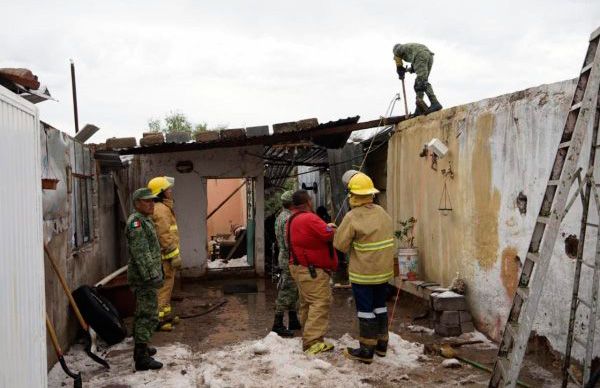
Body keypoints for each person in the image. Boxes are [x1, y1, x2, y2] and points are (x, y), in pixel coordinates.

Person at [333, 172, 395, 364]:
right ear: (371, 193)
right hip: (383, 272)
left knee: (365, 310)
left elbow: (340, 245)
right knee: (380, 306)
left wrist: (337, 232)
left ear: (352, 195)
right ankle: (382, 345)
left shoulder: (352, 217)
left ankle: (367, 350)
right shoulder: (382, 213)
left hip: (364, 274)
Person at [288, 190, 338, 354]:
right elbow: (327, 235)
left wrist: (325, 227)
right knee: (320, 302)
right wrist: (332, 228)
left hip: (300, 267)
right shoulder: (309, 217)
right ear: (309, 202)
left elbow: (313, 234)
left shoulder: (292, 218)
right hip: (311, 270)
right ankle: (312, 342)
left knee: (307, 303)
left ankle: (309, 335)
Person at [126, 187, 164, 371]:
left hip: (146, 276)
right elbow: (141, 253)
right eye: (147, 201)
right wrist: (151, 276)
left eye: (153, 200)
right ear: (137, 203)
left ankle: (142, 347)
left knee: (146, 312)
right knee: (146, 315)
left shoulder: (144, 220)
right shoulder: (136, 223)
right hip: (144, 278)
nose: (152, 204)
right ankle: (141, 358)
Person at [147, 176, 182, 332]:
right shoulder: (161, 210)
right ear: (161, 192)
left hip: (165, 256)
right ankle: (158, 321)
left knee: (167, 287)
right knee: (163, 288)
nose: (171, 191)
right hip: (165, 257)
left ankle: (165, 316)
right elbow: (164, 235)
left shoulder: (163, 207)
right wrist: (174, 254)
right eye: (168, 189)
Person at [271, 190, 301, 337]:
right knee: (286, 291)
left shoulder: (280, 217)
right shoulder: (289, 218)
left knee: (293, 290)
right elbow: (289, 242)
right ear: (292, 203)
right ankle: (277, 324)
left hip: (284, 256)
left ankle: (293, 319)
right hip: (289, 258)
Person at [393, 42, 442, 116]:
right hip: (429, 56)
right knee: (421, 82)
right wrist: (406, 70)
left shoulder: (398, 50)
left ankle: (435, 103)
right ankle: (419, 107)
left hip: (420, 56)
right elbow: (414, 67)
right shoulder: (410, 49)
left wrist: (400, 70)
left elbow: (398, 62)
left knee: (420, 82)